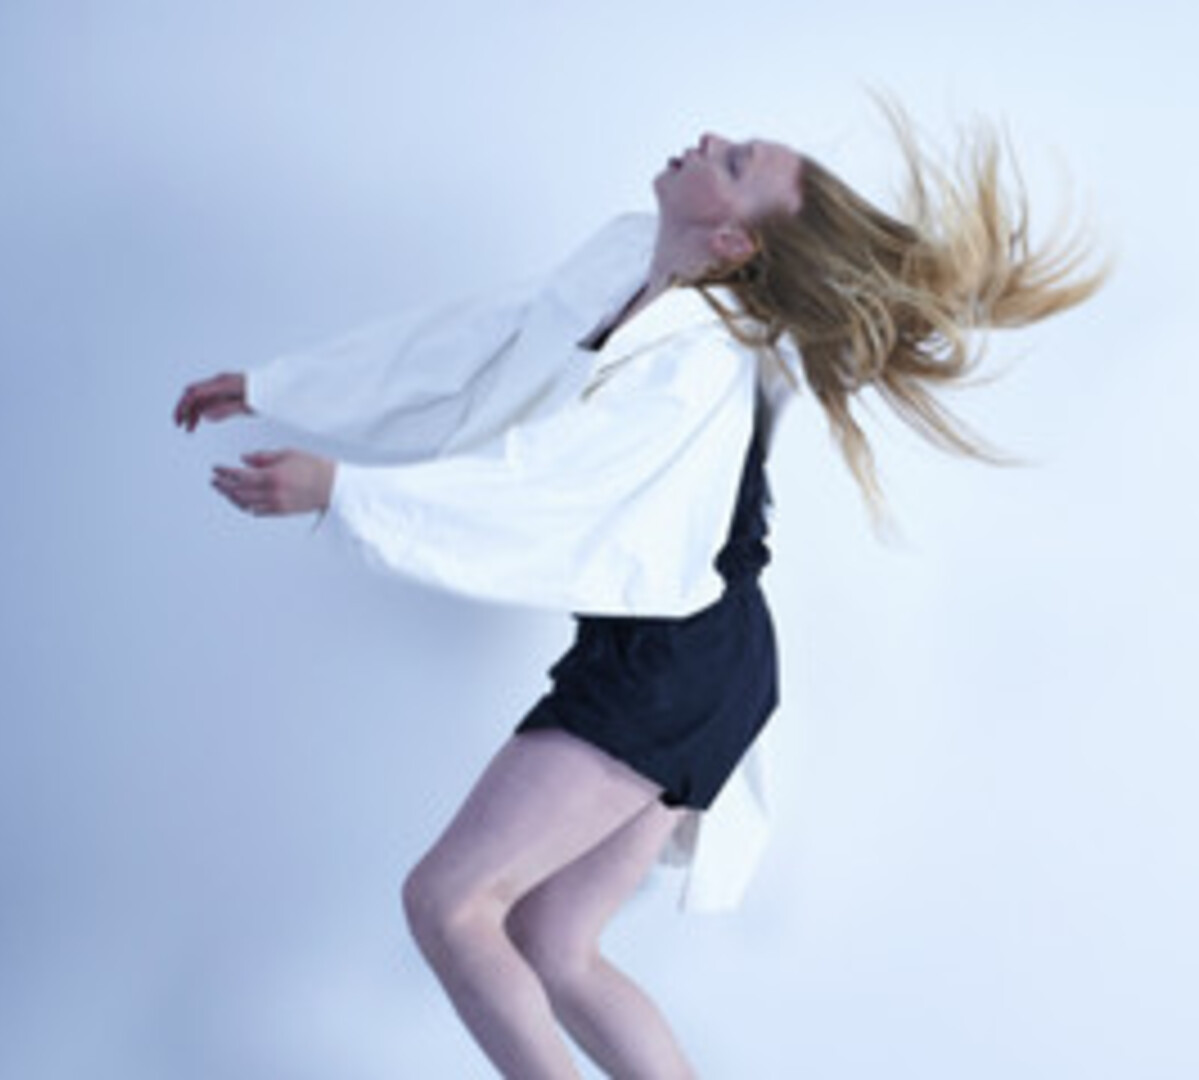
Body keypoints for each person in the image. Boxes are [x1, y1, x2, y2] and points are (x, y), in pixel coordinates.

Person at [173, 110, 1104, 1079]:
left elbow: (552, 483)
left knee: (449, 904)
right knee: (554, 941)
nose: (709, 138)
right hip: (697, 652)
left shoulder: (697, 360)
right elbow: (483, 343)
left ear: (734, 240)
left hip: (679, 658)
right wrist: (285, 384)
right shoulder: (627, 263)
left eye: (735, 162)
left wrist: (347, 492)